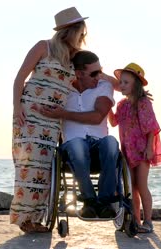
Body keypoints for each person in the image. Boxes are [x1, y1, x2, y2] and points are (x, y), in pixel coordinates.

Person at [10, 7, 88, 233]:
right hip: (29, 114)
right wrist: (17, 108)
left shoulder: (75, 58)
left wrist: (127, 85)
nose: (82, 38)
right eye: (81, 33)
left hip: (52, 120)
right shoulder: (43, 46)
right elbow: (20, 78)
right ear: (70, 31)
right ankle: (25, 220)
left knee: (44, 167)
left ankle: (34, 219)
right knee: (29, 164)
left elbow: (96, 74)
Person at [40, 50, 119, 219]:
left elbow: (98, 117)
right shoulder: (62, 89)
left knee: (111, 142)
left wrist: (64, 113)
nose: (99, 76)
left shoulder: (104, 86)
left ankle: (105, 201)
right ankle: (89, 201)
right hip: (72, 146)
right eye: (94, 73)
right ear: (78, 73)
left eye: (101, 71)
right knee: (77, 145)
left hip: (99, 143)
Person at [108, 63, 161, 233]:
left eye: (126, 82)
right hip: (127, 151)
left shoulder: (143, 103)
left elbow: (151, 128)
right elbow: (113, 122)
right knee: (131, 187)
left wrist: (150, 147)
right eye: (121, 82)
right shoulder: (122, 105)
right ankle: (135, 220)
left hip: (141, 150)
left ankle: (148, 221)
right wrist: (107, 106)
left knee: (142, 185)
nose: (122, 86)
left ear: (136, 84)